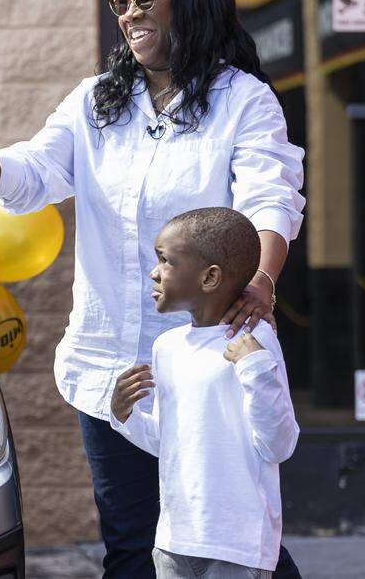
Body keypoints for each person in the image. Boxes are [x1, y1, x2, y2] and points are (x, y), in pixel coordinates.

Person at [0, 0, 305, 577]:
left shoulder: (242, 101)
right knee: (132, 550)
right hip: (111, 368)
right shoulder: (98, 102)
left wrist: (262, 279)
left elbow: (271, 199)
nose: (129, 12)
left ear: (194, 0)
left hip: (207, 365)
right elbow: (30, 176)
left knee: (234, 545)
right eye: (120, 0)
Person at [111, 207, 299, 579]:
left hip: (237, 545)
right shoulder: (167, 347)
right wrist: (124, 416)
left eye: (165, 261)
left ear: (210, 277)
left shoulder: (255, 341)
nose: (154, 272)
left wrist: (256, 368)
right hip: (175, 541)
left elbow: (279, 444)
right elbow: (169, 443)